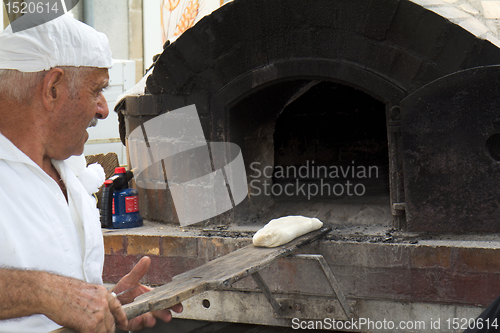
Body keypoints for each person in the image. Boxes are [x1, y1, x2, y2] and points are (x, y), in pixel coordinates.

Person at [0, 14, 182, 332]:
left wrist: (110, 305)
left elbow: (62, 308)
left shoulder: (67, 170)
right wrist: (45, 293)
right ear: (53, 88)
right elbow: (54, 299)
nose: (103, 108)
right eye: (96, 89)